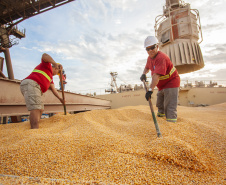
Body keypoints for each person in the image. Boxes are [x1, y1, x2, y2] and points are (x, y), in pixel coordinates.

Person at [140, 36, 180, 123]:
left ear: (157, 46)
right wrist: (144, 73)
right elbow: (147, 67)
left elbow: (156, 76)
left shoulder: (161, 58)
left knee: (169, 106)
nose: (150, 50)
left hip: (171, 82)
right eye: (147, 49)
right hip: (161, 85)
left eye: (152, 47)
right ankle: (161, 120)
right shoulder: (150, 58)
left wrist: (150, 90)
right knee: (160, 104)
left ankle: (171, 124)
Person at [20, 53, 65, 129]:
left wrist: (61, 99)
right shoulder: (47, 66)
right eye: (57, 72)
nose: (55, 74)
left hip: (35, 88)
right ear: (55, 68)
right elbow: (44, 55)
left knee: (40, 109)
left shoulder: (50, 78)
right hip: (32, 84)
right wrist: (54, 63)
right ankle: (34, 130)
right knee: (36, 108)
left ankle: (35, 126)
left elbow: (54, 90)